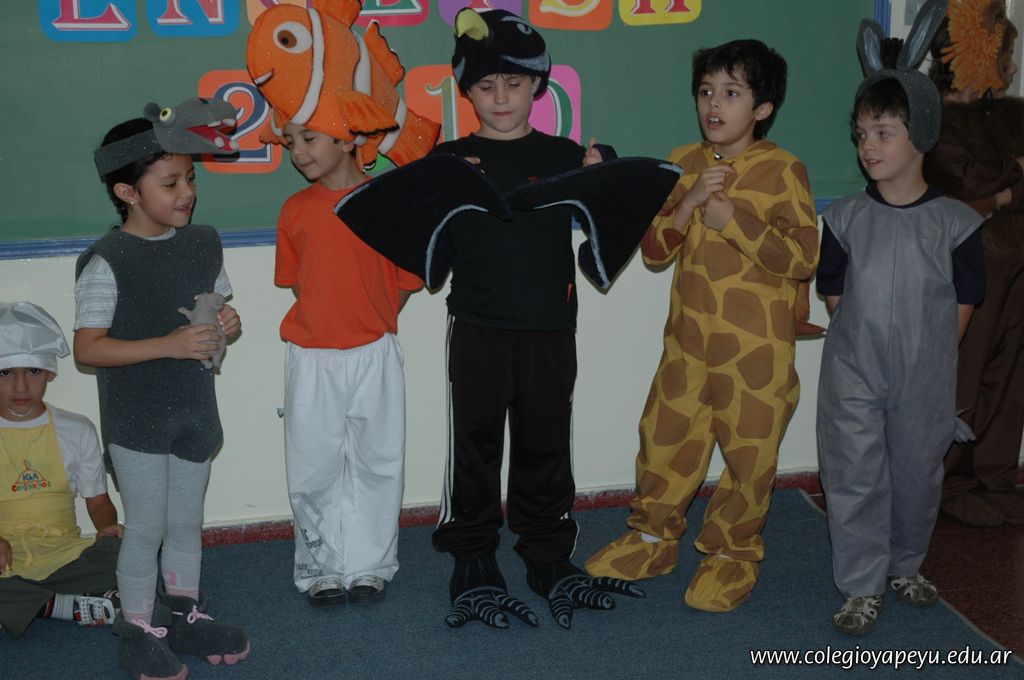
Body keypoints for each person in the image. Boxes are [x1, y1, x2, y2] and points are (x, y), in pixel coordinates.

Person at [586, 38, 818, 614]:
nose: (714, 104)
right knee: (664, 439)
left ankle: (733, 553)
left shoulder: (783, 170)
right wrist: (688, 205)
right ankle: (652, 538)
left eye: (732, 93)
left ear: (762, 108)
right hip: (688, 346)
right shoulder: (684, 161)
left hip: (757, 354)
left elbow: (803, 258)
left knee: (749, 455)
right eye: (706, 91)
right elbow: (655, 251)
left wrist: (732, 220)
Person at [815, 0, 985, 635]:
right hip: (853, 374)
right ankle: (861, 583)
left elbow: (965, 300)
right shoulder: (844, 219)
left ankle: (904, 563)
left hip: (924, 377)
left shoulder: (956, 224)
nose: (869, 145)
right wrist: (864, 343)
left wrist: (927, 355)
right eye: (862, 133)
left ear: (922, 133)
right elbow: (835, 293)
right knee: (854, 475)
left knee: (916, 477)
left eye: (884, 132)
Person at [74, 98, 249, 680]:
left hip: (194, 413)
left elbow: (216, 312)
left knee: (185, 523)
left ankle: (183, 614)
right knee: (146, 526)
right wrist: (169, 344)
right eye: (170, 183)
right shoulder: (107, 260)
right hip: (138, 421)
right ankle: (137, 628)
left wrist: (226, 323)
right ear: (128, 192)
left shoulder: (203, 242)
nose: (187, 193)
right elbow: (88, 348)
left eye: (190, 178)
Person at [274, 119, 423, 608]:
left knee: (377, 462)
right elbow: (300, 283)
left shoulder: (390, 201)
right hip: (312, 359)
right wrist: (332, 324)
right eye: (290, 141)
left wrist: (368, 321)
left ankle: (370, 564)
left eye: (308, 138)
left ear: (348, 138)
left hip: (374, 355)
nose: (298, 151)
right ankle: (320, 566)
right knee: (313, 466)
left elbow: (404, 281)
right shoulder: (295, 209)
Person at [924, 4, 1024, 527]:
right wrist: (1008, 178)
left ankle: (995, 478)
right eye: (1005, 55)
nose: (1012, 68)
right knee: (964, 370)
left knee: (1009, 374)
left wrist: (1002, 188)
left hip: (1016, 262)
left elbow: (988, 183)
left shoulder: (1013, 115)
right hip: (968, 264)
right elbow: (962, 180)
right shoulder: (932, 117)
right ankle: (951, 480)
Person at [0, 302, 122, 639]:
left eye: (33, 371)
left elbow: (98, 501)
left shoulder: (76, 428)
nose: (21, 387)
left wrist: (108, 528)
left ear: (50, 373)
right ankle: (65, 605)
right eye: (5, 373)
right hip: (5, 559)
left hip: (65, 553)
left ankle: (28, 604)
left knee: (132, 554)